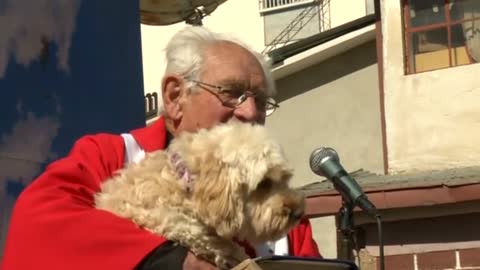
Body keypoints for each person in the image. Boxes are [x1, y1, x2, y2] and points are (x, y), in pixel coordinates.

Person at [1, 26, 320, 270]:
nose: (250, 113)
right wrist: (177, 260)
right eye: (232, 93)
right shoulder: (112, 158)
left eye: (261, 101)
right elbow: (39, 228)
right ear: (175, 97)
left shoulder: (286, 223)